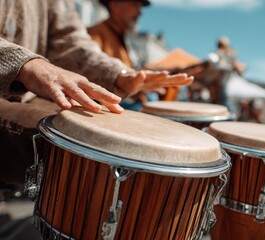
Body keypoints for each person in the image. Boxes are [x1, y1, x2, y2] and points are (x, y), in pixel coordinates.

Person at [0, 0, 192, 238]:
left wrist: (119, 76)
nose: (141, 11)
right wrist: (25, 65)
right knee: (73, 139)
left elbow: (70, 42)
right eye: (136, 4)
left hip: (24, 97)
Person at [211, 36, 245, 110]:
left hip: (226, 76)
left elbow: (235, 64)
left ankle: (231, 114)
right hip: (221, 77)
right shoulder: (219, 53)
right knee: (221, 96)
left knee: (224, 96)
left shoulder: (229, 53)